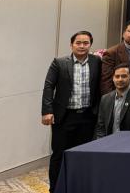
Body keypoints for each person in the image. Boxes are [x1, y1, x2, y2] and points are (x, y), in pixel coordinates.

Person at [41, 31, 101, 193]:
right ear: (71, 44)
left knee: (84, 154)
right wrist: (47, 111)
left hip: (88, 117)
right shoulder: (59, 63)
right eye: (78, 43)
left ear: (90, 45)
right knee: (59, 155)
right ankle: (55, 189)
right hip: (64, 117)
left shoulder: (96, 62)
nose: (82, 46)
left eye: (86, 43)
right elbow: (49, 86)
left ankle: (79, 187)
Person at [95, 64, 130, 138]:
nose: (120, 79)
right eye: (117, 76)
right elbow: (101, 126)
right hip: (107, 142)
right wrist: (101, 142)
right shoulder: (105, 98)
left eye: (124, 76)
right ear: (113, 78)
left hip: (128, 142)